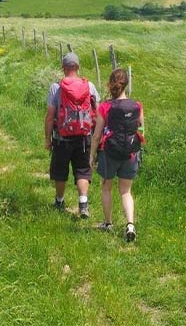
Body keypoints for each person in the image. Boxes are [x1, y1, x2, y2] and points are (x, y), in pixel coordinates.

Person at [89, 68, 144, 242]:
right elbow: (141, 129)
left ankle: (108, 223)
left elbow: (97, 135)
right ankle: (130, 224)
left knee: (106, 188)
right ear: (126, 83)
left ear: (110, 83)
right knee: (126, 191)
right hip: (130, 153)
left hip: (109, 152)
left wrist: (92, 155)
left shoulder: (105, 106)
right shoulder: (137, 105)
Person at [45, 52, 99, 218]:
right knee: (82, 170)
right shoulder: (89, 86)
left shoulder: (56, 88)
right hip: (84, 137)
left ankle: (60, 201)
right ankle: (83, 204)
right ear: (78, 67)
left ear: (63, 68)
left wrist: (47, 139)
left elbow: (49, 116)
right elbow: (97, 112)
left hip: (62, 138)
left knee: (60, 171)